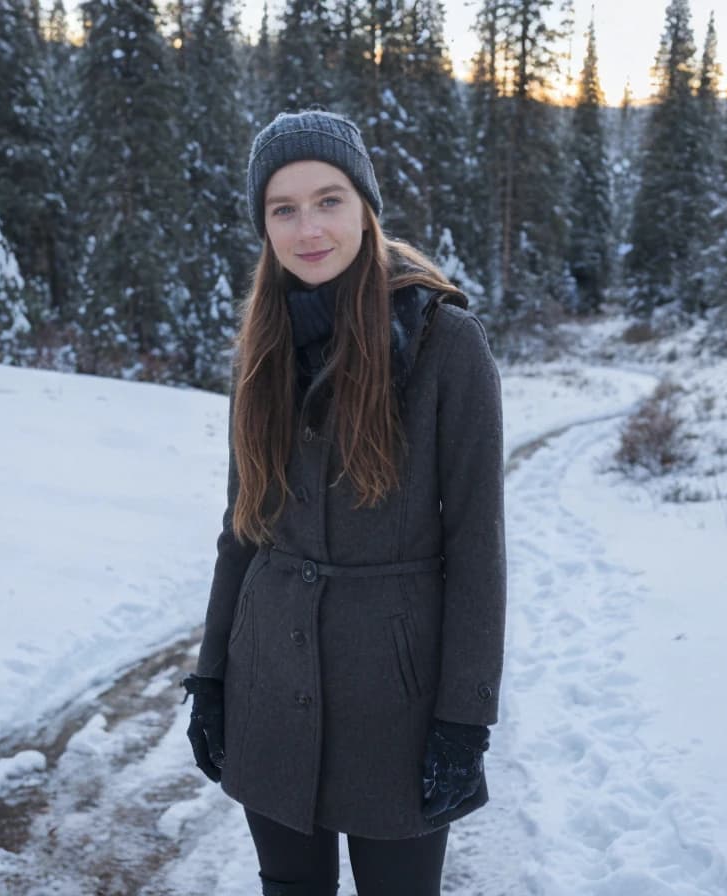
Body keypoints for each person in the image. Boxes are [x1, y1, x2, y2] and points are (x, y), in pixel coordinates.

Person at [182, 109, 506, 896]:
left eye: (329, 200)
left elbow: (476, 547)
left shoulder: (443, 343)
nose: (308, 228)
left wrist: (465, 720)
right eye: (282, 209)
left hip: (392, 701)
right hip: (269, 681)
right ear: (263, 225)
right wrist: (214, 678)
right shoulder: (262, 345)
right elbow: (242, 528)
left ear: (365, 204)